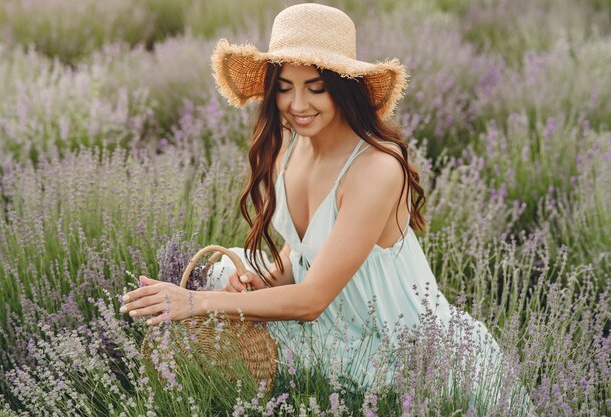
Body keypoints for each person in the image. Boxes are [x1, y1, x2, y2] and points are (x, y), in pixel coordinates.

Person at [120, 2, 517, 404]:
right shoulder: (290, 147)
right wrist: (269, 277)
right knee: (226, 274)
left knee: (215, 301)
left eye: (316, 88)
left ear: (343, 89)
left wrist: (194, 302)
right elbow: (304, 249)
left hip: (392, 341)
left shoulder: (376, 169)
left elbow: (311, 301)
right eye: (284, 87)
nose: (297, 105)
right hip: (329, 307)